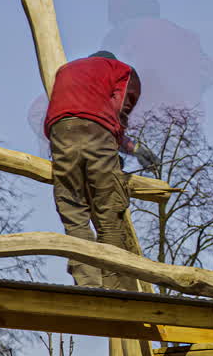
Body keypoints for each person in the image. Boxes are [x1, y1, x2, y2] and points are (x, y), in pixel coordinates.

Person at [44, 50, 158, 289]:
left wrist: (125, 148)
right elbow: (116, 111)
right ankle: (114, 287)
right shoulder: (122, 70)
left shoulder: (66, 70)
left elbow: (69, 109)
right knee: (108, 213)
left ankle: (87, 283)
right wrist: (123, 148)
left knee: (73, 210)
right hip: (97, 131)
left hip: (60, 132)